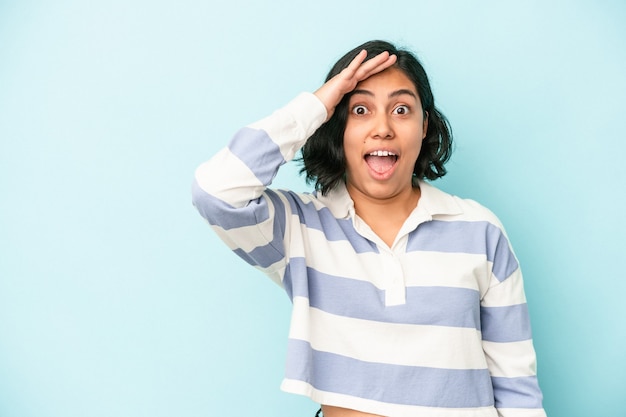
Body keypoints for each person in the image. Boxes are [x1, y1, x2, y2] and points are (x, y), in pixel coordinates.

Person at [192, 40, 546, 417]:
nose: (382, 128)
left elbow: (517, 392)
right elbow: (216, 192)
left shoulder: (480, 231)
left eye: (401, 109)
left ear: (424, 125)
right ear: (337, 125)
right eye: (360, 110)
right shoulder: (301, 228)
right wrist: (317, 105)